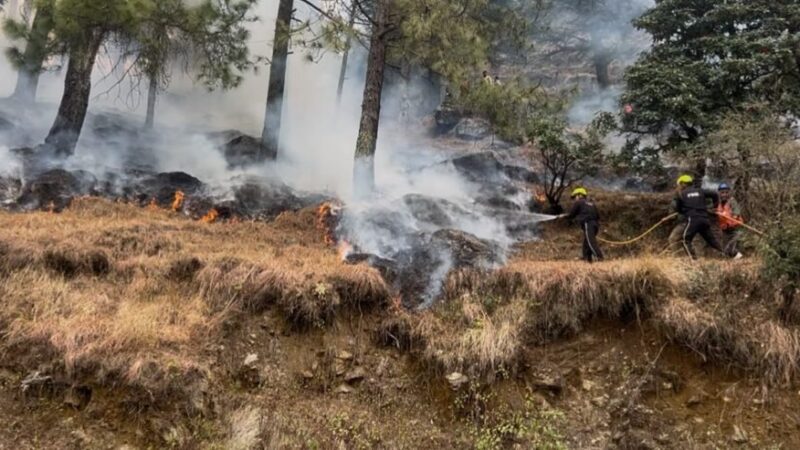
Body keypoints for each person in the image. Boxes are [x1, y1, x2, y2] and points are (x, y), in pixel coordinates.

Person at [673, 175, 727, 260]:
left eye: (679, 185)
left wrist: (686, 210)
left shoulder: (681, 194)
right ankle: (726, 255)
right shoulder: (700, 191)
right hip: (704, 219)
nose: (678, 187)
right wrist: (715, 206)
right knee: (712, 241)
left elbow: (678, 209)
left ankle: (693, 260)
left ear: (683, 184)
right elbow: (714, 194)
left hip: (693, 220)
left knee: (685, 240)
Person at [559, 187, 604, 262]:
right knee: (586, 243)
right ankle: (587, 259)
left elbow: (572, 214)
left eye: (575, 197)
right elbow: (598, 216)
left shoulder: (579, 202)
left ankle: (600, 257)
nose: (574, 199)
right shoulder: (591, 204)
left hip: (588, 224)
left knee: (590, 242)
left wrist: (563, 216)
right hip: (595, 224)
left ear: (579, 195)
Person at [716, 183, 744, 259]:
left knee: (732, 248)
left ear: (729, 192)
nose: (724, 194)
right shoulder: (719, 204)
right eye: (722, 193)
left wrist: (732, 216)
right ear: (719, 193)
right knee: (726, 251)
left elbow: (736, 213)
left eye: (726, 192)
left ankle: (739, 259)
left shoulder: (732, 201)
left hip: (735, 229)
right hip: (726, 231)